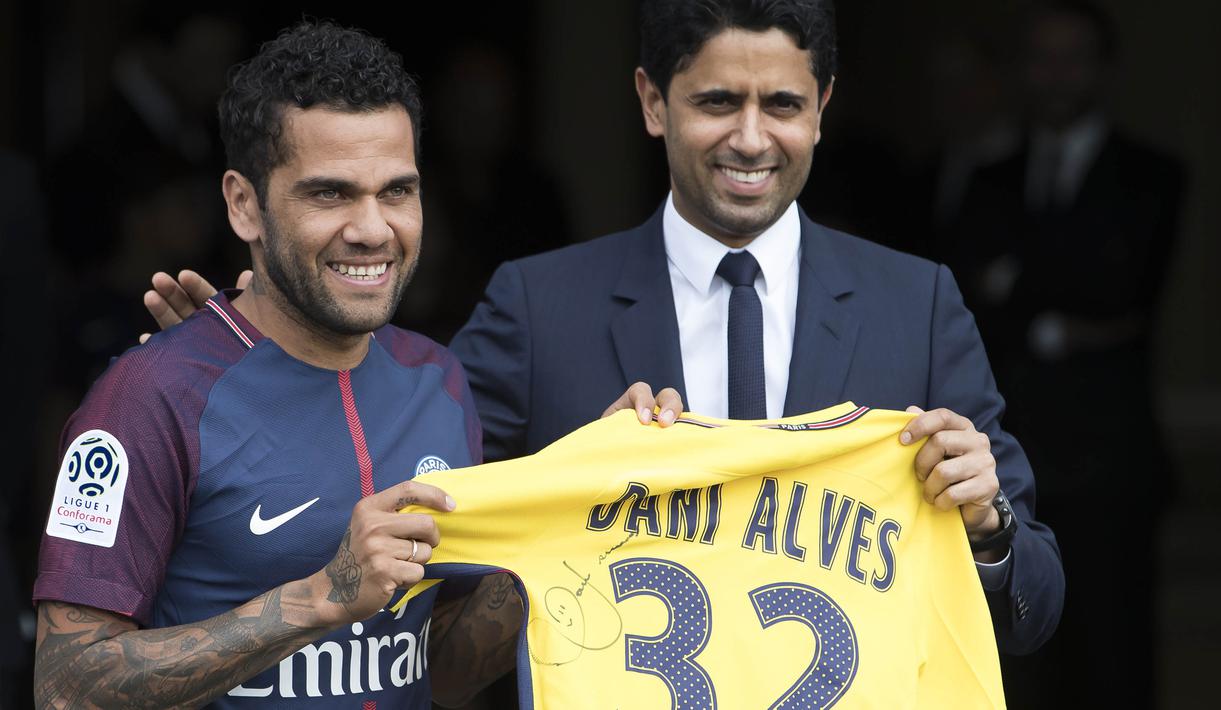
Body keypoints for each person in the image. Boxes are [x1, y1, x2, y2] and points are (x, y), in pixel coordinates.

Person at [144, 0, 1062, 660]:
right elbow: (385, 470)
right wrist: (249, 367)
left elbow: (1034, 609)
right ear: (652, 102)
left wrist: (985, 527)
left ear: (821, 108)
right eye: (714, 103)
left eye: (780, 105)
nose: (750, 138)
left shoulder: (919, 303)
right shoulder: (539, 308)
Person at [33, 21, 671, 709]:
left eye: (397, 191)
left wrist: (583, 513)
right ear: (244, 205)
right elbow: (67, 687)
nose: (373, 229)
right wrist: (319, 597)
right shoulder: (149, 395)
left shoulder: (439, 382)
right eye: (329, 193)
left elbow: (442, 672)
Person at [945, 2, 1184, 705]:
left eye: (1072, 57)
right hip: (1010, 455)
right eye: (1041, 58)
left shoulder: (1152, 175)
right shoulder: (986, 177)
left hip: (1110, 463)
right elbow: (963, 298)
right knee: (1015, 667)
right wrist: (1055, 309)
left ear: (1103, 69)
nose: (1055, 76)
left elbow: (1124, 290)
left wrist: (1015, 283)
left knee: (1114, 657)